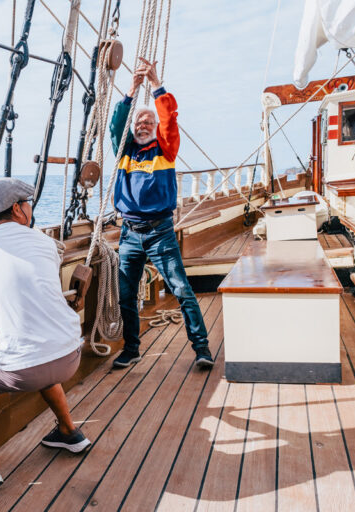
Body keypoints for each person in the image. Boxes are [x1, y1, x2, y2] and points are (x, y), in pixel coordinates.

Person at [0, 177, 91, 489]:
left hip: (23, 369)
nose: (30, 210)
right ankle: (70, 432)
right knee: (41, 349)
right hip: (70, 354)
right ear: (18, 210)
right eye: (28, 204)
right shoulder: (45, 242)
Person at [109, 59, 214, 370]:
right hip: (129, 233)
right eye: (139, 120)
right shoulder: (123, 151)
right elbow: (116, 124)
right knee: (126, 296)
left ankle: (202, 348)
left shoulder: (165, 148)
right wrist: (132, 91)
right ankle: (131, 349)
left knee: (181, 289)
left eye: (148, 120)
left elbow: (168, 118)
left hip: (160, 232)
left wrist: (155, 86)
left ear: (155, 129)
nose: (143, 122)